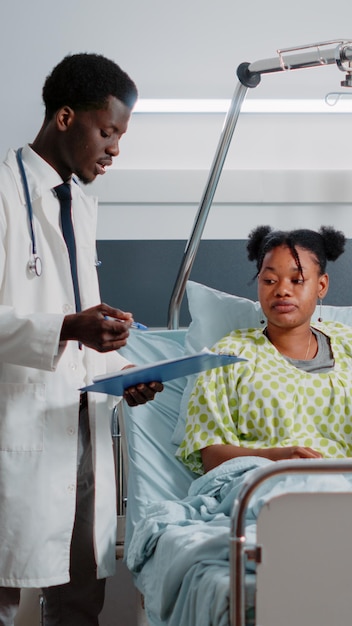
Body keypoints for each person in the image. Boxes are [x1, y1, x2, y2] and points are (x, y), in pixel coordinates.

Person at [0, 53, 163, 625]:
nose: (115, 148)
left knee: (79, 601)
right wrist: (70, 327)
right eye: (108, 130)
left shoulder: (81, 207)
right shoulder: (0, 192)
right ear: (65, 118)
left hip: (81, 429)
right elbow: (59, 324)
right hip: (17, 430)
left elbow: (79, 337)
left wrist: (123, 381)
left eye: (121, 135)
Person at [177, 225, 352, 475]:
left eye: (297, 280)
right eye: (269, 280)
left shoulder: (348, 344)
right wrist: (274, 459)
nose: (282, 290)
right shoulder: (228, 356)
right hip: (262, 485)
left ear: (321, 286)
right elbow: (211, 455)